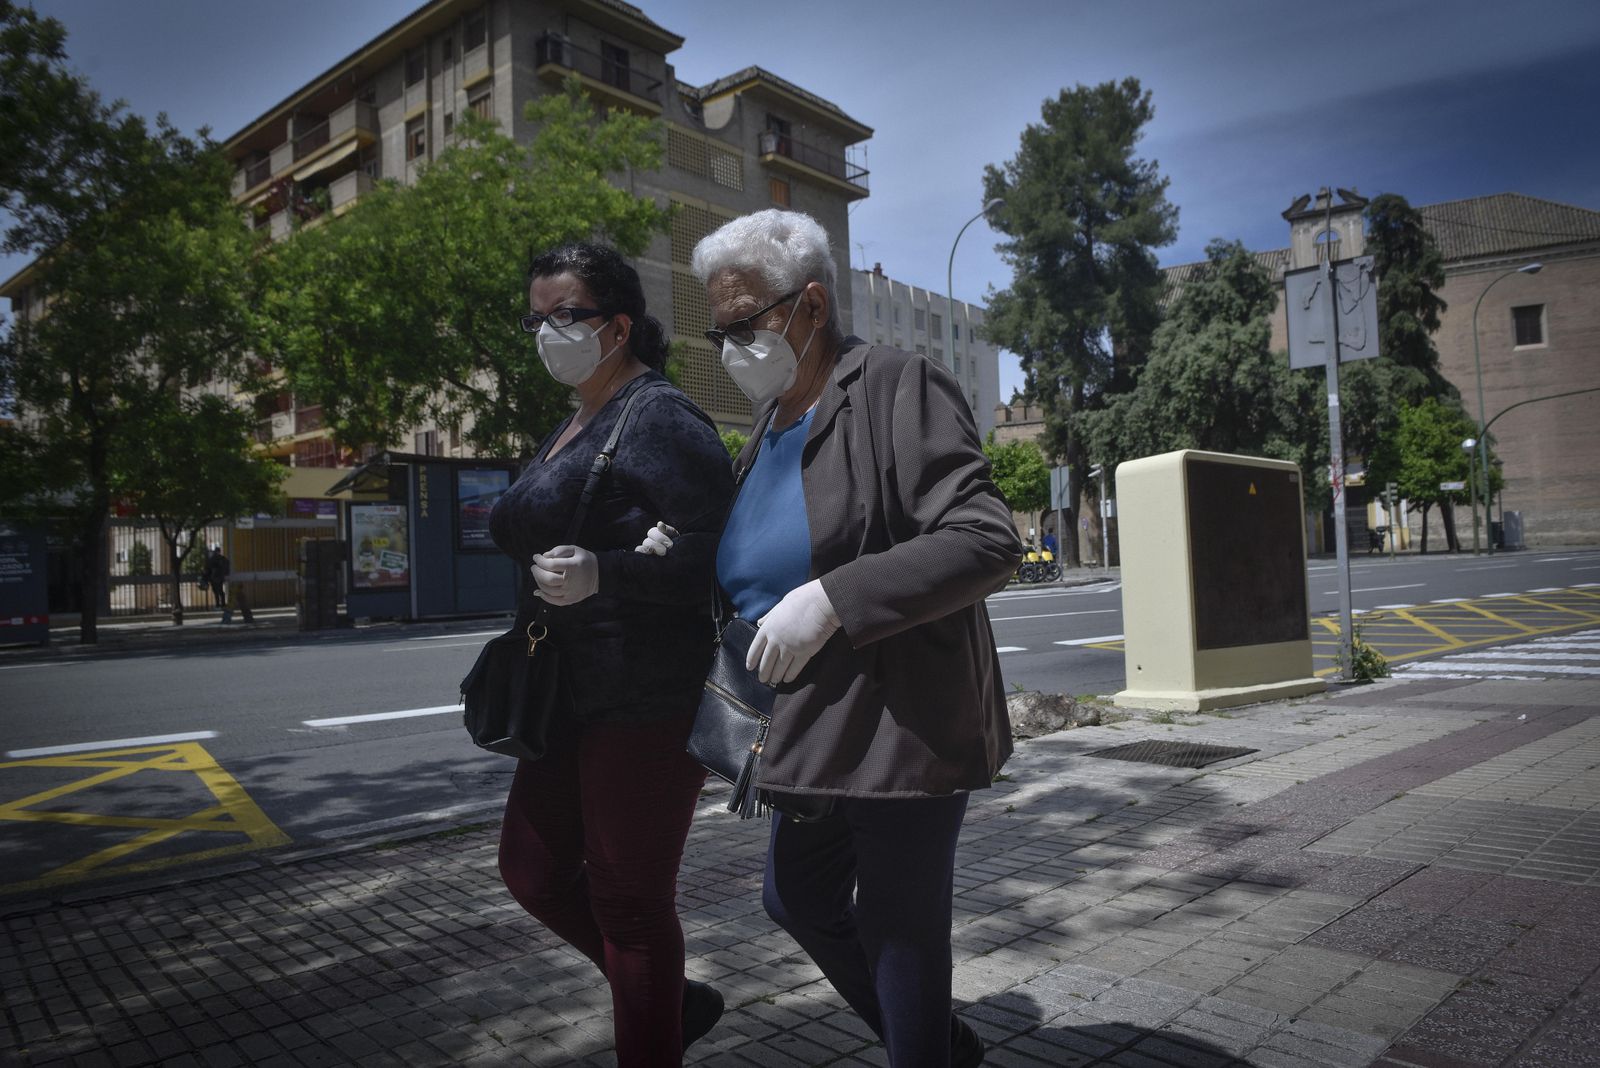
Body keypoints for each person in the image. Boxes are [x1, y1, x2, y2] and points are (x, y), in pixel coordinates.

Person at [686, 210, 1021, 1067]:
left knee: (900, 926)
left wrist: (832, 599)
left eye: (745, 322)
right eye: (716, 328)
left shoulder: (895, 384)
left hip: (897, 717)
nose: (730, 343)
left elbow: (983, 537)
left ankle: (923, 1050)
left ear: (811, 306)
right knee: (795, 898)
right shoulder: (767, 423)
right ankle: (941, 1046)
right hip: (808, 725)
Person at [485, 243, 734, 1066]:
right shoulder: (576, 419)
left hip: (646, 699)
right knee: (530, 868)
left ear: (619, 326)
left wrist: (607, 573)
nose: (545, 331)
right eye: (536, 317)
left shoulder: (659, 415)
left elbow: (723, 557)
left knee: (630, 904)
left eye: (566, 315)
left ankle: (652, 1021)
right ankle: (670, 1001)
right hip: (565, 693)